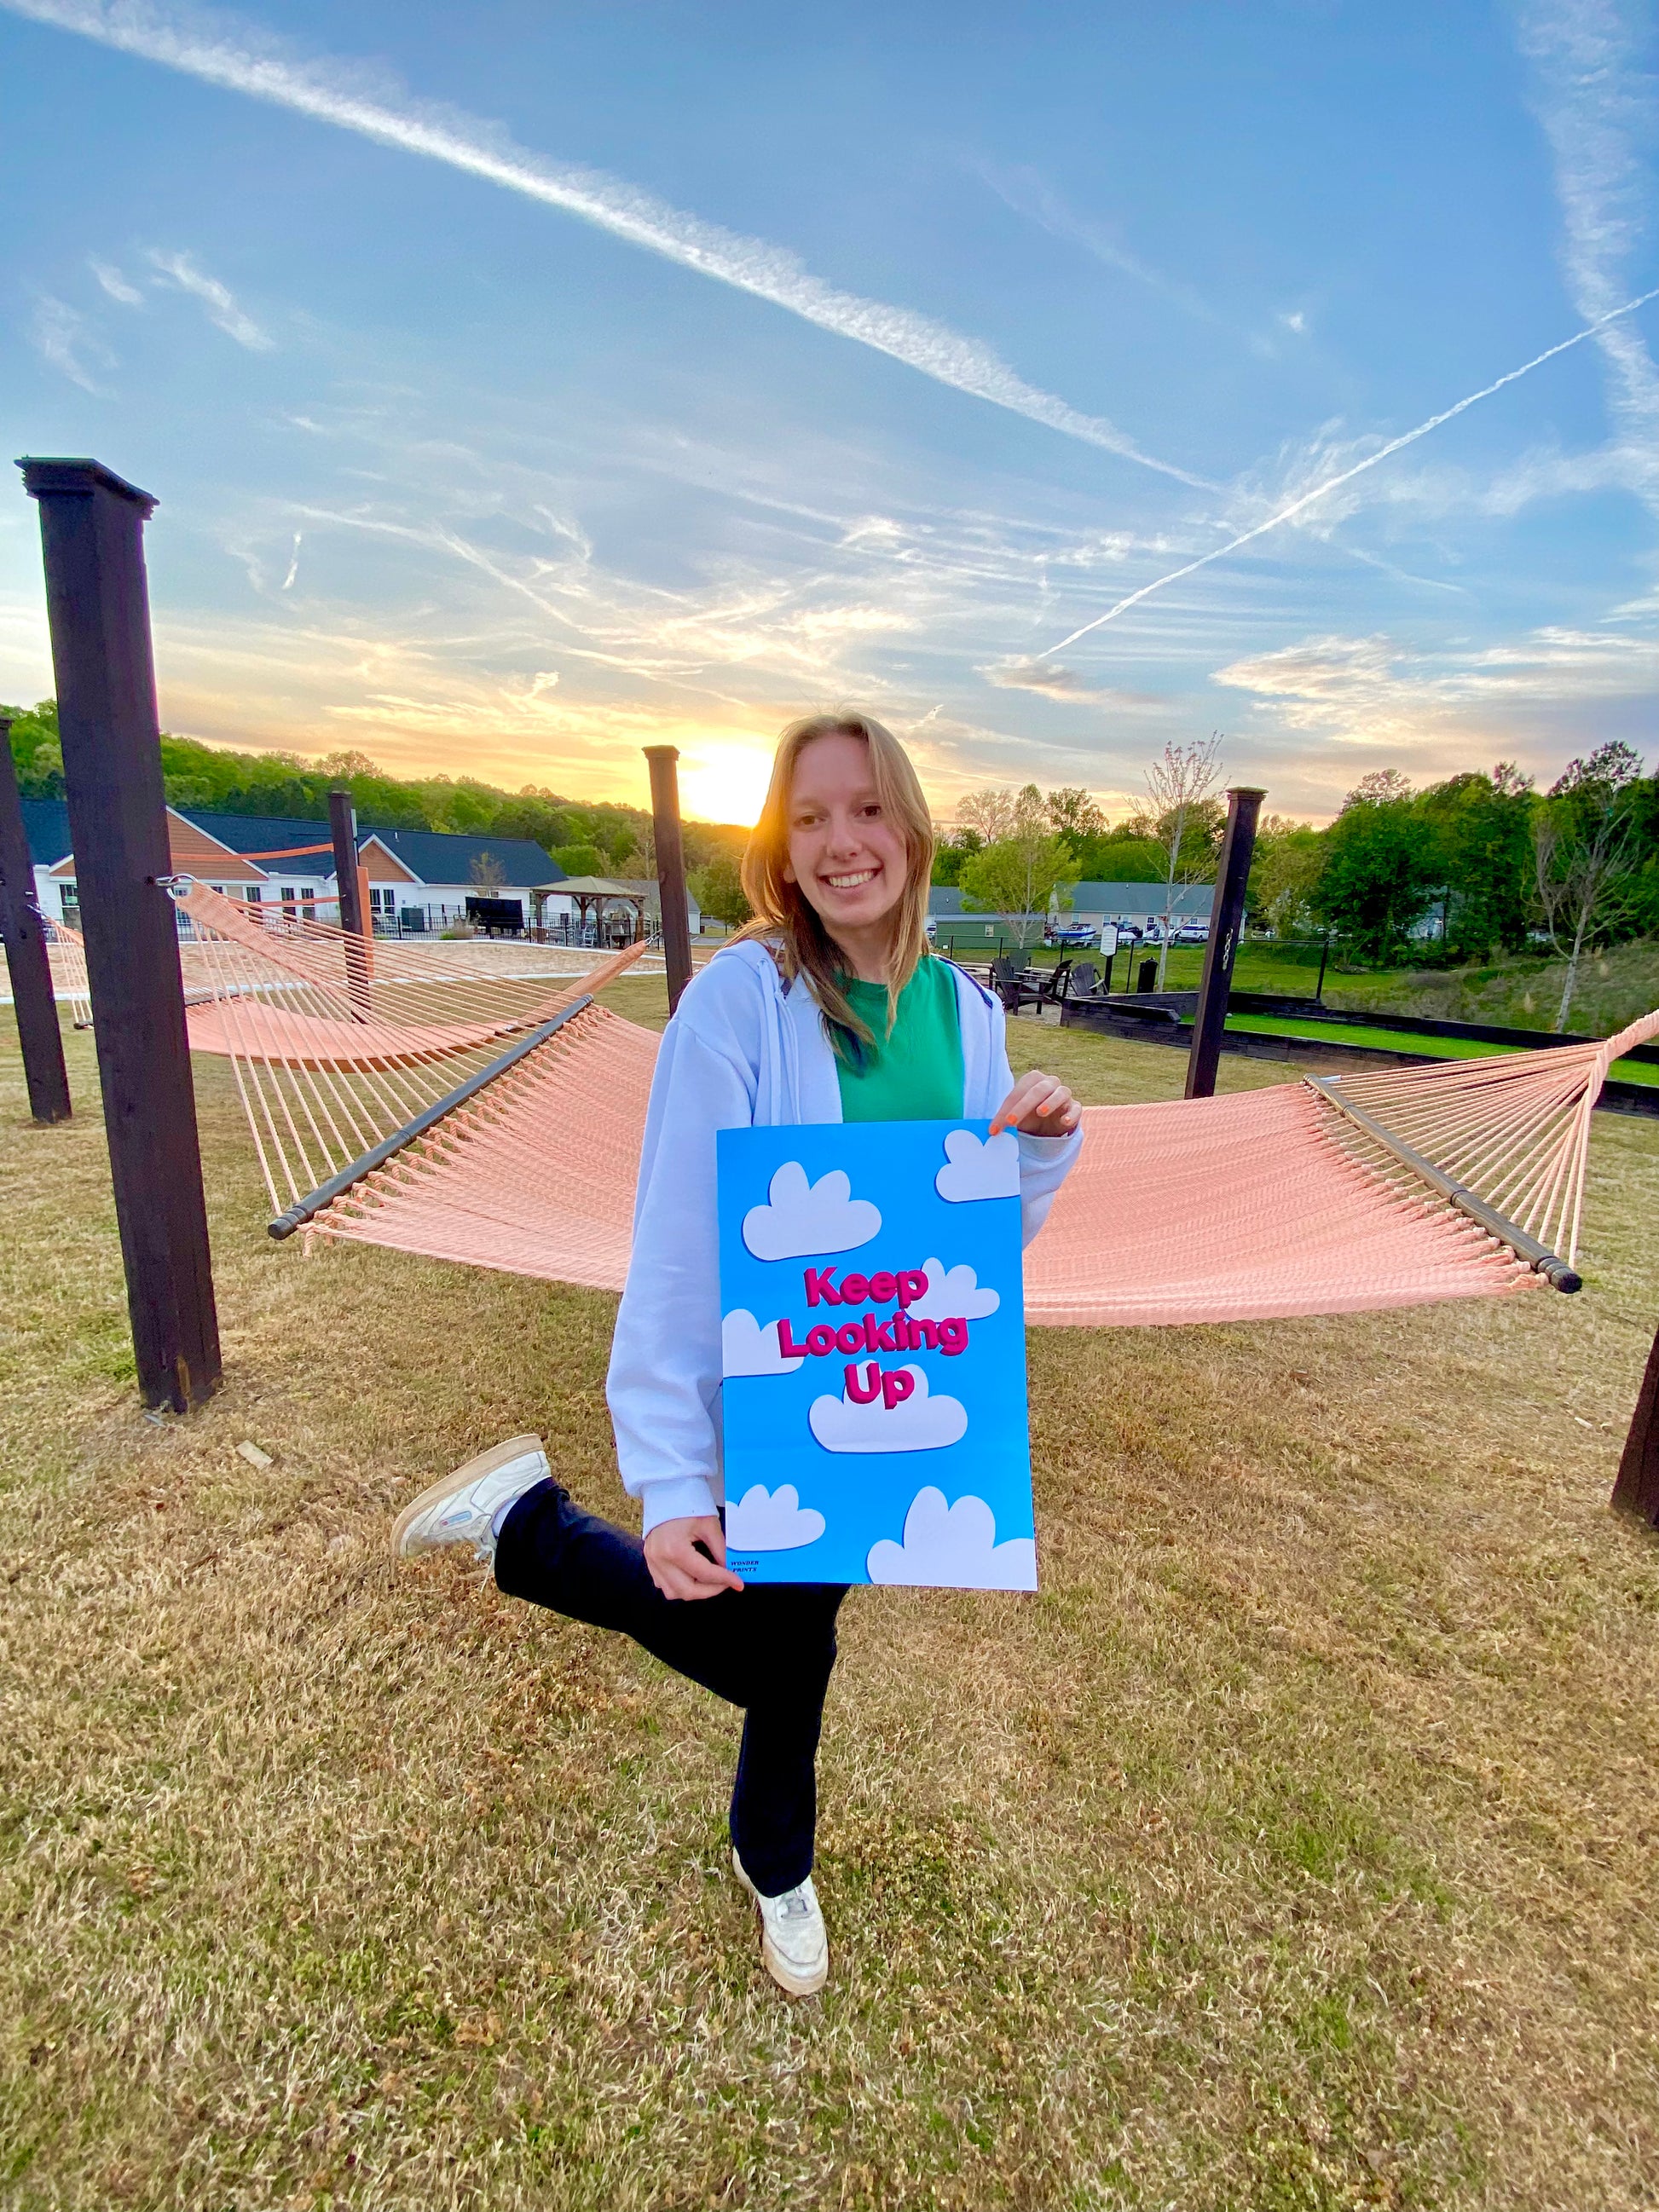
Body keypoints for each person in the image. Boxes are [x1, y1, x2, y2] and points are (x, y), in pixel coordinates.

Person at [390, 713, 1083, 1996]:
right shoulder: (740, 999)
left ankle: (757, 1836)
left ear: (914, 825)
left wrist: (1030, 1150)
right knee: (782, 1650)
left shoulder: (969, 1012)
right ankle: (540, 1549)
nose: (841, 842)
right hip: (770, 1403)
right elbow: (675, 1243)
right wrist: (669, 1478)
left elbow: (973, 1251)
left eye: (865, 808)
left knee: (792, 1644)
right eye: (809, 817)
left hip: (892, 1408)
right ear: (779, 844)